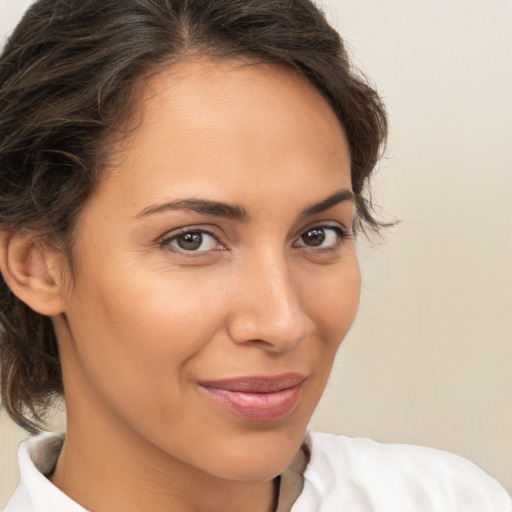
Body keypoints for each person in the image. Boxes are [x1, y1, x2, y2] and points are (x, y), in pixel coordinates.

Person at [0, 1, 510, 511]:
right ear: (37, 265)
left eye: (318, 235)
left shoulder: (448, 500)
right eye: (192, 239)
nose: (283, 322)